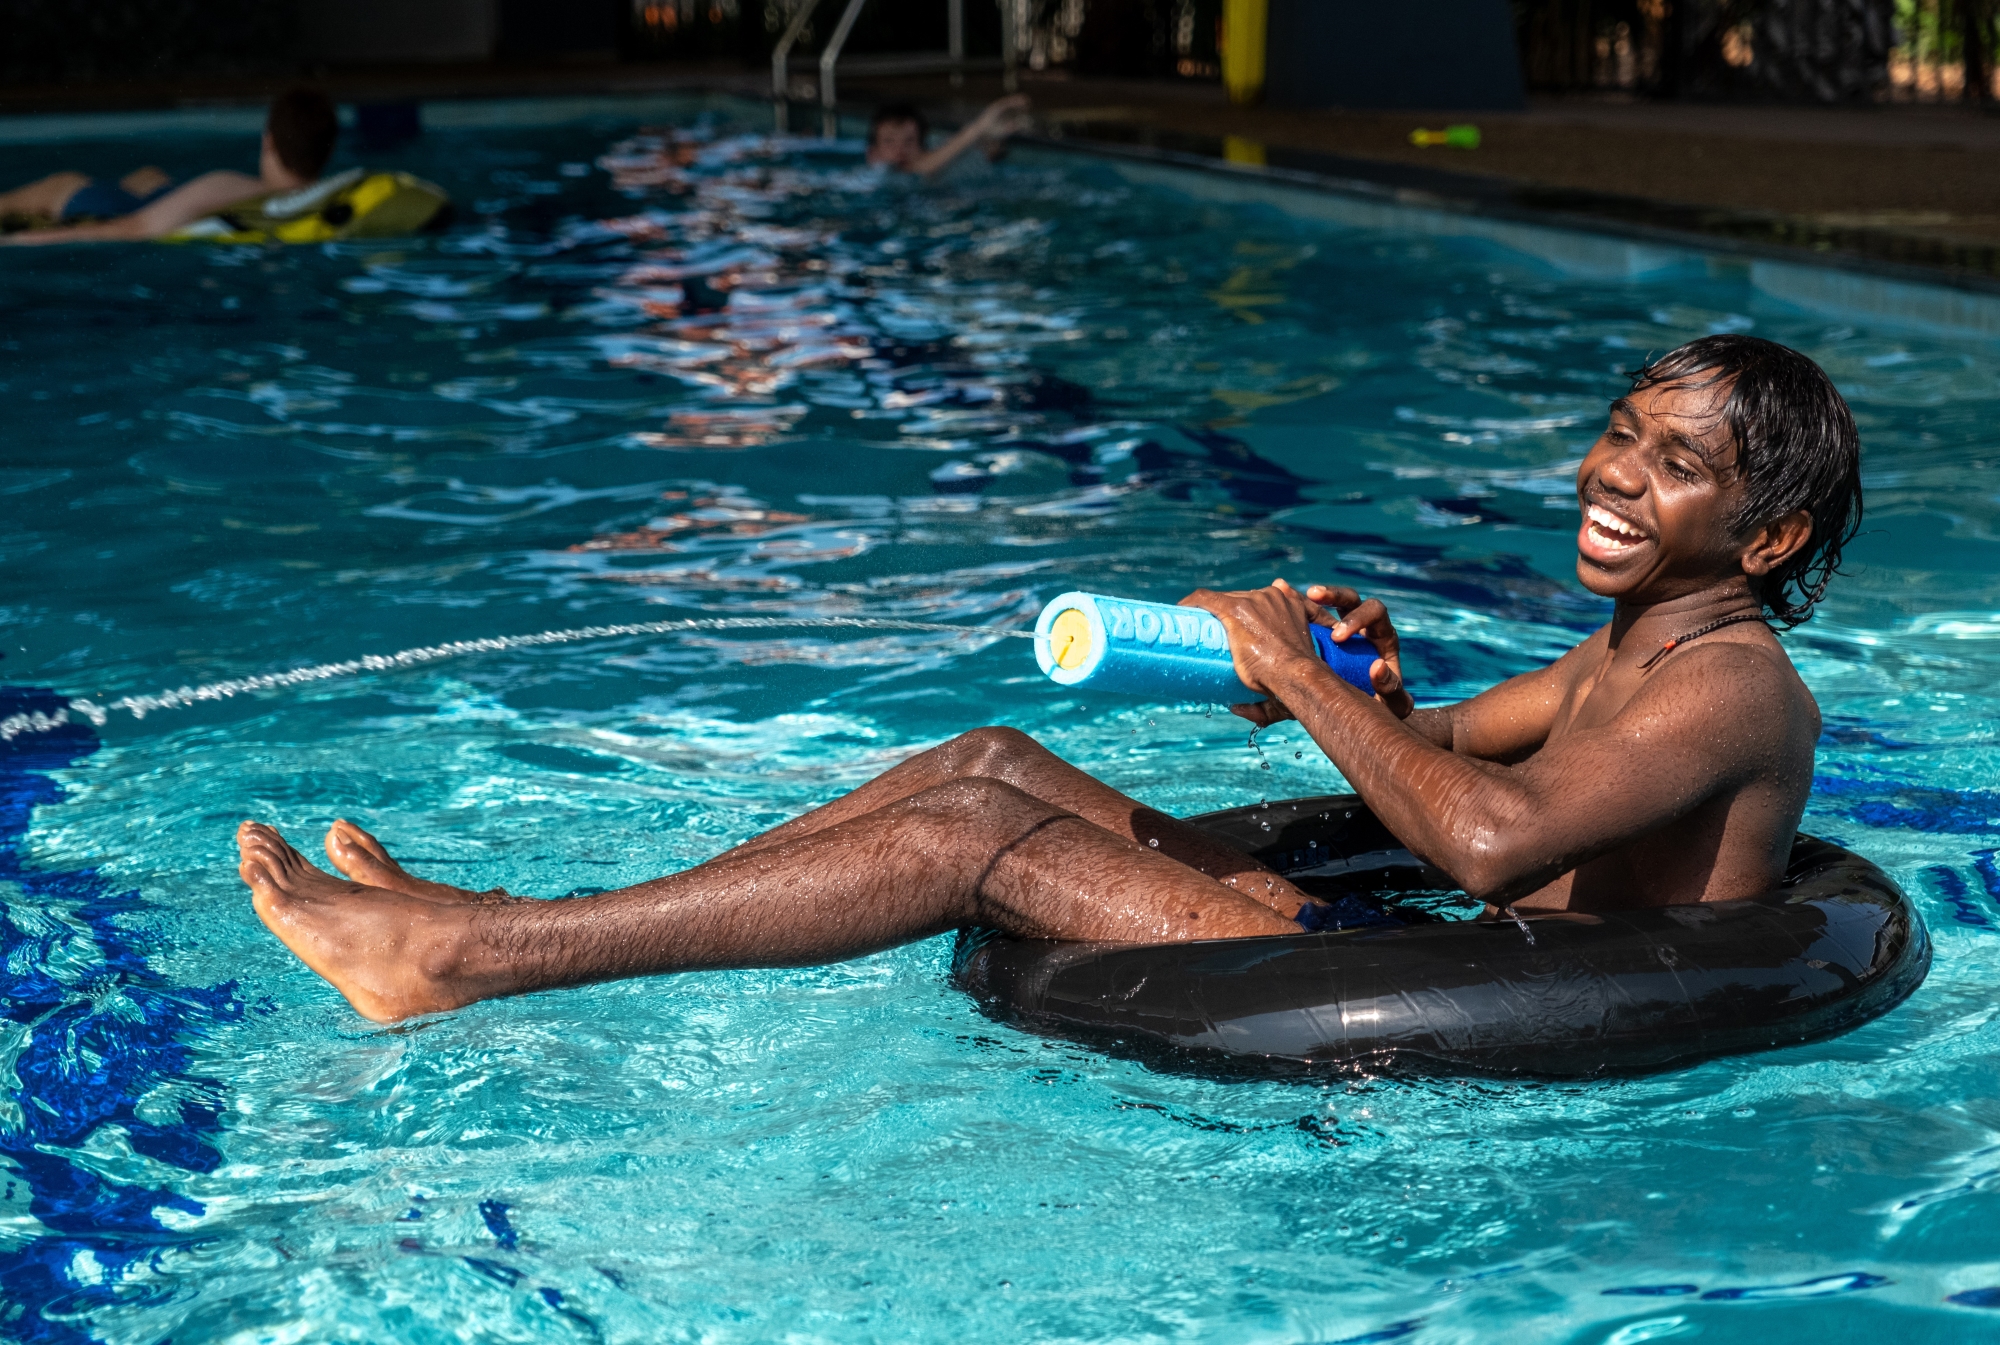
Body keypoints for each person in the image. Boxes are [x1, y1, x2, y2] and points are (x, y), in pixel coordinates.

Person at [237, 334, 1861, 1023]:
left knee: (973, 845)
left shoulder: (1734, 691)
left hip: (1500, 991)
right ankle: (508, 919)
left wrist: (1302, 673)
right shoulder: (1627, 648)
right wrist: (1352, 676)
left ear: (1772, 532)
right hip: (1433, 929)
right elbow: (1437, 753)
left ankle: (460, 960)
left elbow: (1499, 844)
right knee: (991, 756)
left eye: (1676, 466)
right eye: (1619, 436)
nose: (1614, 476)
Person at [0, 87, 337, 245]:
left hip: (122, 209)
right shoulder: (330, 198)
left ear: (269, 142)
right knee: (150, 176)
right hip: (165, 197)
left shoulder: (229, 186)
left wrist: (24, 240)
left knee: (64, 183)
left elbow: (134, 228)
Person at [865, 95, 1031, 177]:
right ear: (872, 154)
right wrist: (981, 126)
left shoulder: (937, 154)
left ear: (923, 146)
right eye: (889, 141)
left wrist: (991, 137)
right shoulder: (874, 178)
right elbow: (925, 167)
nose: (900, 149)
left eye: (909, 141)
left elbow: (988, 155)